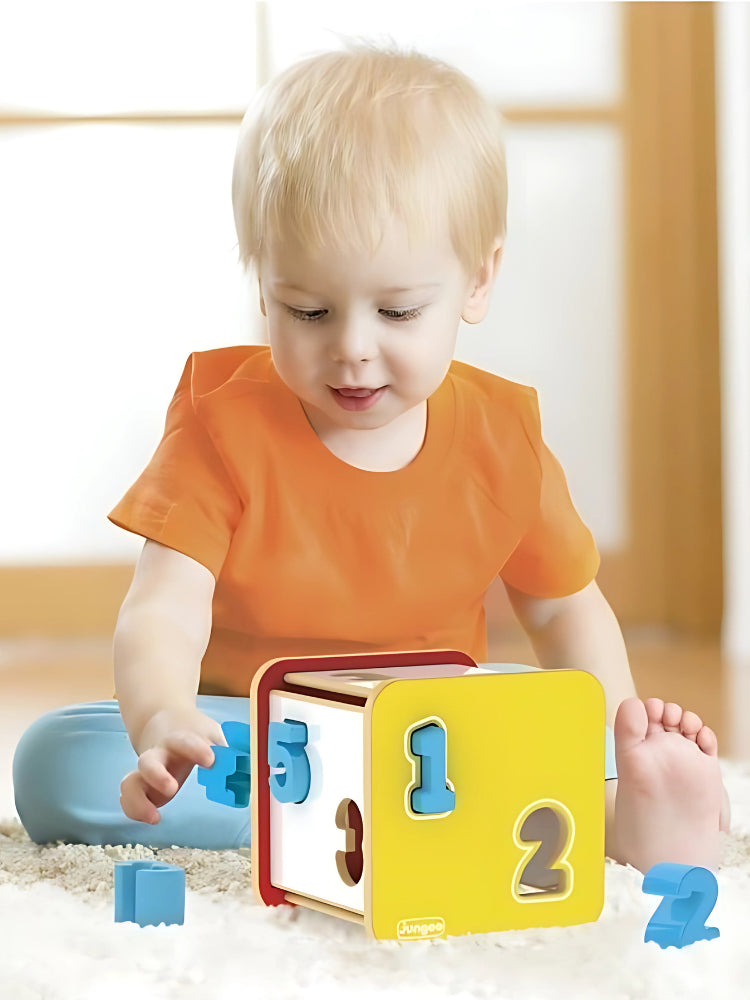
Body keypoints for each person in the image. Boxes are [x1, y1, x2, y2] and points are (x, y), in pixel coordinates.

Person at [14, 41, 729, 870]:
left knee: (524, 714)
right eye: (309, 312)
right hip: (253, 742)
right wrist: (162, 716)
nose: (352, 349)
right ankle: (378, 826)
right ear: (264, 289)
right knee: (59, 761)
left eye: (396, 312)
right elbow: (164, 608)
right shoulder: (223, 428)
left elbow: (568, 612)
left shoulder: (502, 439)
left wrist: (609, 743)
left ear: (477, 281)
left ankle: (627, 812)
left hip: (430, 739)